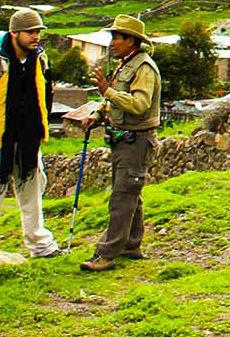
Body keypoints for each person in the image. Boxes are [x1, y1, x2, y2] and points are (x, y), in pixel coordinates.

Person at [0, 9, 62, 258]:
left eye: (38, 32)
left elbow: (45, 95)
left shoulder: (39, 59)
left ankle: (40, 244)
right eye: (30, 32)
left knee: (32, 192)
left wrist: (40, 129)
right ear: (14, 33)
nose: (35, 37)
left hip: (28, 140)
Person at [80, 15, 162, 272]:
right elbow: (115, 100)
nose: (113, 42)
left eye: (118, 37)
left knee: (122, 197)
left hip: (136, 140)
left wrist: (107, 91)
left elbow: (139, 105)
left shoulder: (143, 68)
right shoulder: (126, 65)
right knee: (130, 193)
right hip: (123, 139)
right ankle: (131, 244)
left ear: (132, 41)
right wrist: (98, 114)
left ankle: (106, 253)